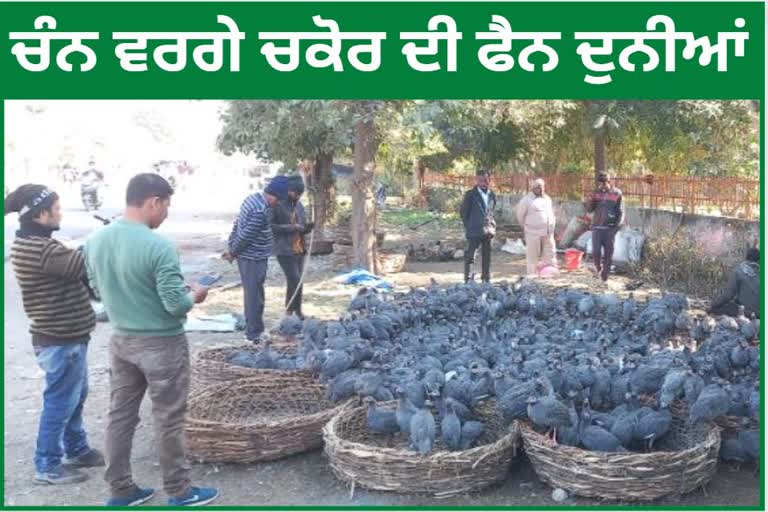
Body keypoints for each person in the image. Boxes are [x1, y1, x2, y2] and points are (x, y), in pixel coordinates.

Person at [84, 174, 218, 507]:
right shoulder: (159, 246)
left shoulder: (95, 240)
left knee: (120, 416)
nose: (167, 213)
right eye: (167, 205)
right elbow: (175, 304)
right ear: (153, 201)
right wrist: (195, 295)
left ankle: (121, 490)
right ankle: (180, 491)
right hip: (162, 345)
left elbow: (97, 290)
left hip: (122, 340)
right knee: (169, 418)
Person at [5, 184, 103, 486]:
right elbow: (81, 263)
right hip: (61, 341)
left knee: (75, 396)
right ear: (39, 214)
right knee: (60, 403)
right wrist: (107, 236)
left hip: (69, 337)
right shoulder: (39, 249)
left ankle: (76, 448)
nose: (60, 213)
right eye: (56, 208)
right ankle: (47, 465)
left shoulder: (37, 243)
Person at [223, 176, 282, 342]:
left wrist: (232, 246)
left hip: (250, 256)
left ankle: (257, 328)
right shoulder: (260, 210)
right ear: (272, 195)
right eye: (278, 199)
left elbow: (237, 224)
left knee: (255, 292)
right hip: (253, 258)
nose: (278, 203)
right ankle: (253, 334)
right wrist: (233, 252)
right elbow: (247, 235)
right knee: (253, 296)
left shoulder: (251, 199)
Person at [272, 175, 314, 319]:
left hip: (299, 249)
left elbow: (301, 227)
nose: (297, 196)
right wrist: (292, 227)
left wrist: (307, 228)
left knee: (299, 280)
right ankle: (289, 311)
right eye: (296, 193)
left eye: (300, 194)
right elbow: (272, 227)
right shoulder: (278, 204)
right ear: (289, 191)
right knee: (294, 279)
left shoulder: (299, 206)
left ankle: (298, 311)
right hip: (284, 249)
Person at [585, 172, 624, 282]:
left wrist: (616, 228)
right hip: (597, 228)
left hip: (609, 229)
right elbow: (589, 209)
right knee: (596, 252)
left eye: (604, 182)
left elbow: (621, 212)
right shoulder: (596, 193)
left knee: (608, 254)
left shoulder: (617, 193)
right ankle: (598, 268)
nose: (602, 185)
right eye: (600, 183)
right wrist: (591, 199)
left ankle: (604, 277)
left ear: (609, 182)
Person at [460, 170, 497, 283]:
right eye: (481, 180)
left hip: (488, 231)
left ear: (489, 180)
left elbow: (491, 210)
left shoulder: (492, 194)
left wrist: (491, 224)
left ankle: (486, 280)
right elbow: (463, 212)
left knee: (487, 258)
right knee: (471, 257)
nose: (483, 182)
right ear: (476, 180)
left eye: (486, 180)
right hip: (474, 230)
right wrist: (470, 226)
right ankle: (468, 280)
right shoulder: (470, 195)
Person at [516, 178, 557, 277]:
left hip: (548, 232)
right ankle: (532, 277)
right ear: (533, 188)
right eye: (538, 187)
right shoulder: (526, 200)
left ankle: (548, 275)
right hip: (533, 233)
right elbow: (520, 216)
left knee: (549, 255)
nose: (541, 189)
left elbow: (551, 213)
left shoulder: (547, 199)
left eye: (542, 187)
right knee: (532, 257)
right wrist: (528, 227)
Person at [708, 248, 760, 318]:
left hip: (746, 312)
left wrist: (713, 305)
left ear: (746, 257)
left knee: (716, 309)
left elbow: (728, 296)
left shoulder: (739, 271)